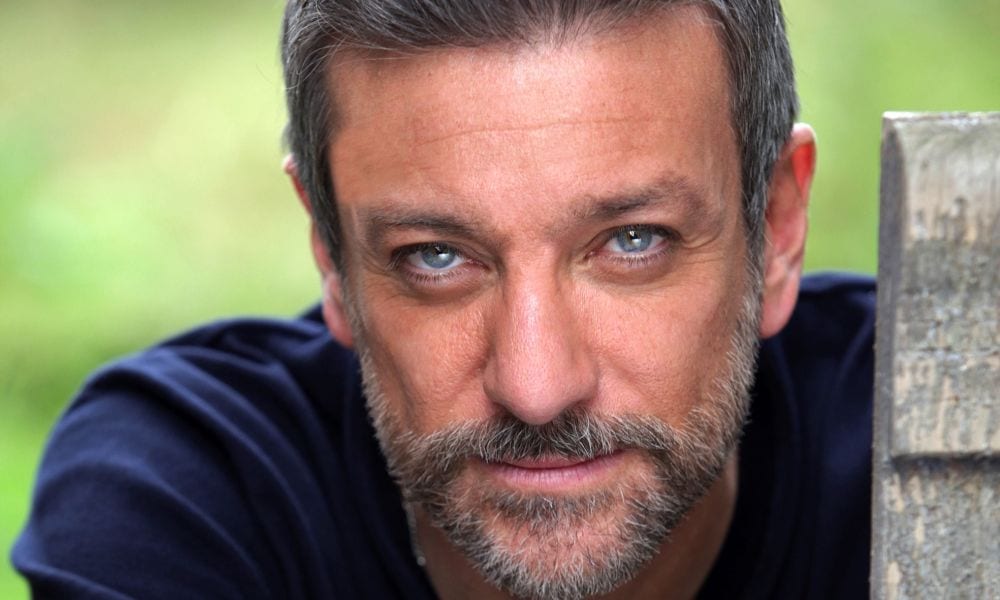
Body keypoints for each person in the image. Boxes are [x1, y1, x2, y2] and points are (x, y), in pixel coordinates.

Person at [12, 1, 875, 598]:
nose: (536, 388)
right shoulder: (191, 497)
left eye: (632, 242)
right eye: (437, 257)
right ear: (332, 256)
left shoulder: (923, 442)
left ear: (776, 230)